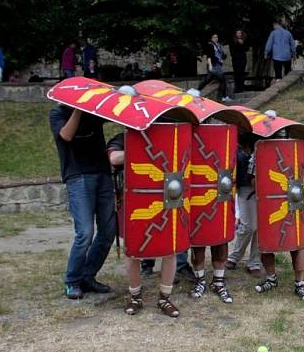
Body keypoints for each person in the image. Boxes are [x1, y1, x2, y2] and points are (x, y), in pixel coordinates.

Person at [106, 131, 181, 317]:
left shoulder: (168, 135)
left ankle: (165, 297)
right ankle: (135, 297)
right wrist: (141, 149)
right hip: (134, 201)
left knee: (169, 250)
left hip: (165, 199)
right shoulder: (123, 137)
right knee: (133, 251)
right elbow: (114, 158)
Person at [49, 105, 116, 299]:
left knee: (108, 231)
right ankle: (72, 281)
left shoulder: (93, 112)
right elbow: (66, 136)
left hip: (102, 173)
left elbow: (116, 115)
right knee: (85, 232)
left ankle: (87, 276)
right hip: (78, 176)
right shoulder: (58, 113)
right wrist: (78, 110)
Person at [252, 114, 304, 300]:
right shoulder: (260, 153)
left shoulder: (294, 149)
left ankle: (299, 283)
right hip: (270, 206)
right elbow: (255, 180)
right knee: (266, 244)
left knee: (298, 243)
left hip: (294, 206)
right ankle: (271, 278)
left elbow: (302, 176)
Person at [226, 132, 262, 277]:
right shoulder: (236, 151)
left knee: (261, 228)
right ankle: (234, 256)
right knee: (249, 226)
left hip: (264, 190)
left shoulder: (261, 148)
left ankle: (254, 262)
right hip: (246, 190)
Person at [197, 33, 229, 101]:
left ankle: (196, 91)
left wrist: (222, 59)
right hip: (214, 65)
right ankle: (224, 97)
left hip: (217, 65)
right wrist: (210, 66)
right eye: (214, 37)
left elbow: (221, 55)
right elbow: (209, 56)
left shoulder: (218, 46)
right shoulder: (210, 45)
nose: (216, 39)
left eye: (217, 37)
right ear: (211, 38)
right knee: (223, 79)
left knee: (208, 79)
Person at [231, 29, 248, 94]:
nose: (239, 34)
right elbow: (232, 51)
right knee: (236, 74)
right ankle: (237, 88)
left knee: (242, 73)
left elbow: (247, 49)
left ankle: (241, 88)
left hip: (242, 59)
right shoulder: (233, 41)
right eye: (237, 33)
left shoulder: (244, 41)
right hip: (235, 60)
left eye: (240, 33)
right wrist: (237, 43)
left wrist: (242, 44)